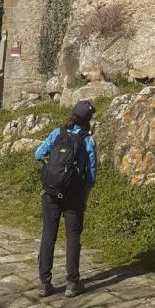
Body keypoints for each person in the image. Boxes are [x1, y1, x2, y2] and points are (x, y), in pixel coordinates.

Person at [34, 100, 98, 298]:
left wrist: (54, 170)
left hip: (51, 193)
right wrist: (84, 196)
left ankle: (44, 282)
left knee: (48, 234)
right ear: (88, 119)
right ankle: (72, 283)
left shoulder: (57, 133)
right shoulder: (88, 140)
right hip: (74, 194)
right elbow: (91, 176)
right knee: (73, 237)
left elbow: (38, 154)